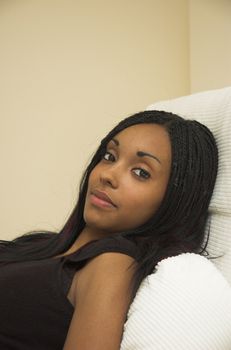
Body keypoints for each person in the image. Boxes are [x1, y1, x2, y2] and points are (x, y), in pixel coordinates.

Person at [0, 110, 218, 350]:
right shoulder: (41, 243)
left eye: (141, 172)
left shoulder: (112, 264)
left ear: (174, 200)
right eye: (109, 156)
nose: (108, 175)